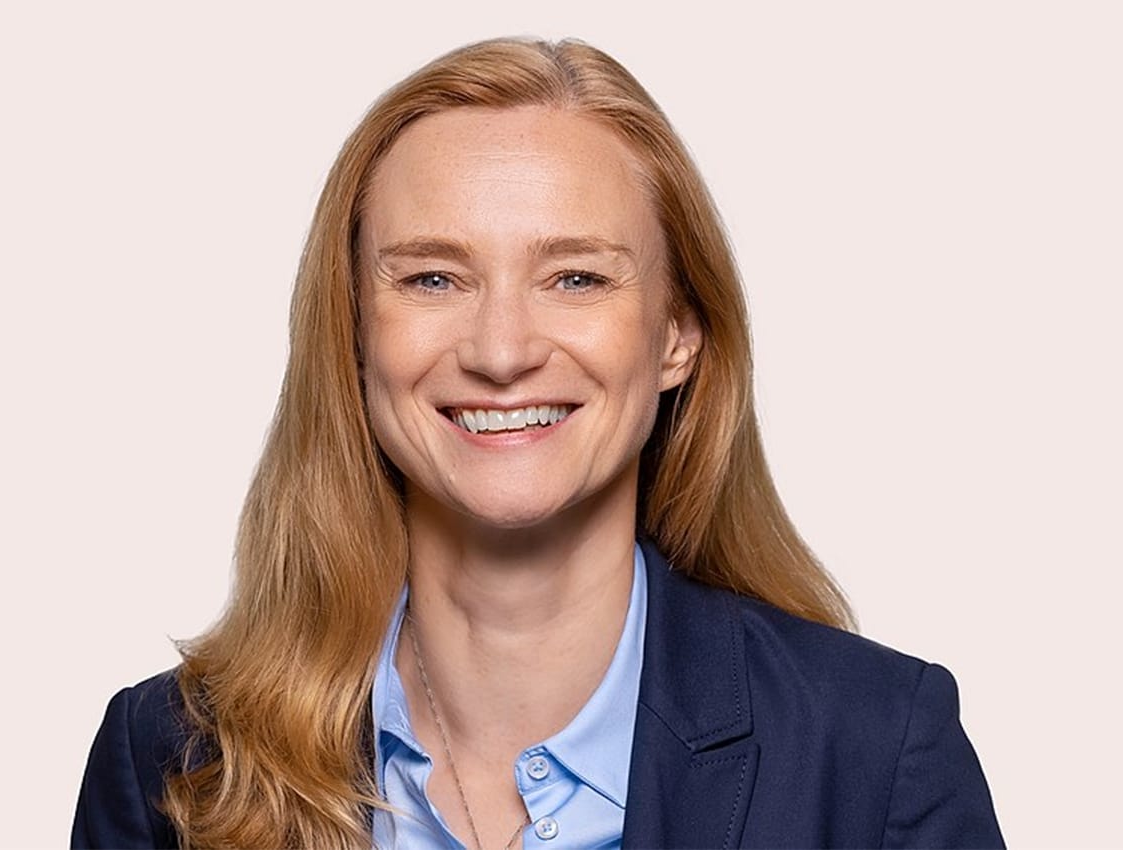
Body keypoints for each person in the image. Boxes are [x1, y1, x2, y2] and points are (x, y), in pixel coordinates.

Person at [72, 37, 1004, 849]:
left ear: (678, 333)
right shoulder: (170, 758)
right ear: (351, 335)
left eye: (576, 278)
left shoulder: (875, 751)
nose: (501, 351)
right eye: (433, 279)